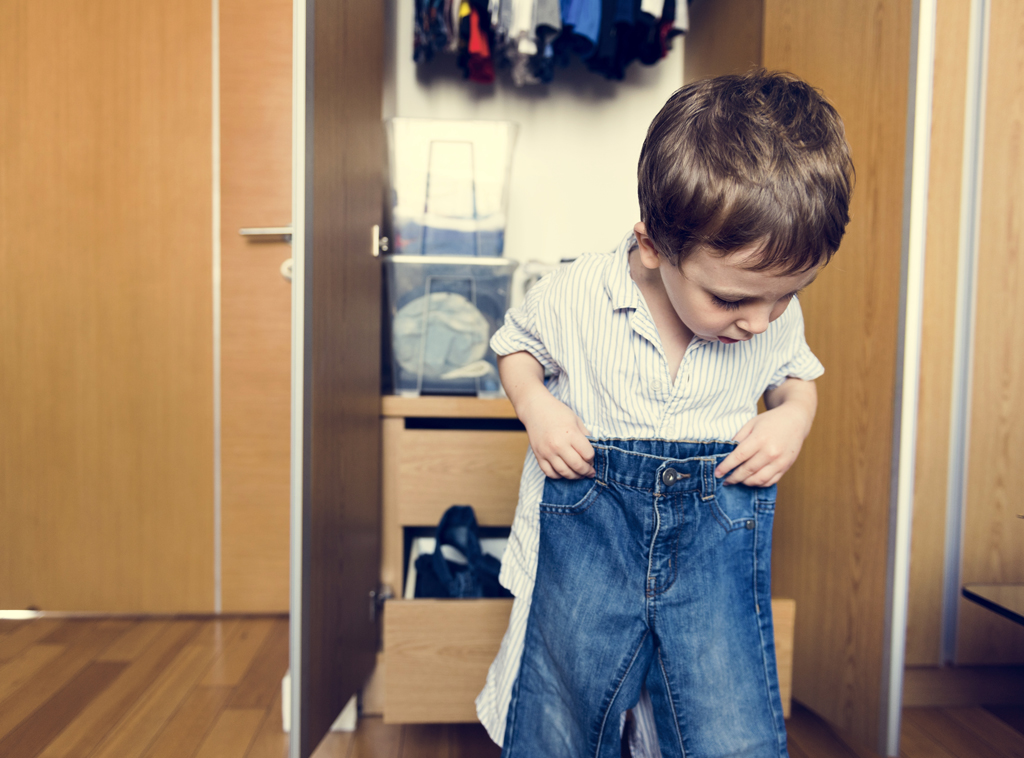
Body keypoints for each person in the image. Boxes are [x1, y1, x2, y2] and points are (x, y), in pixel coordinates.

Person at [475, 68, 854, 758]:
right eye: (733, 301)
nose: (760, 322)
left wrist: (792, 418)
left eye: (787, 297)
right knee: (560, 709)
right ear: (653, 246)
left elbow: (796, 380)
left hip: (709, 551)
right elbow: (514, 349)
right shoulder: (577, 293)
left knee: (717, 721)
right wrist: (538, 409)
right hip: (588, 538)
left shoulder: (769, 319)